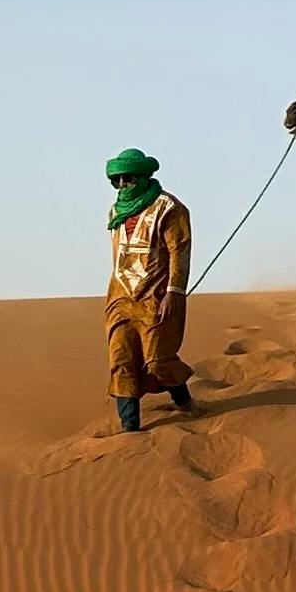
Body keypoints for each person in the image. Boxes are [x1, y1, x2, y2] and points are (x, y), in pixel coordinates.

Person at [103, 149, 194, 431]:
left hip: (156, 296)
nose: (122, 185)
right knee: (121, 359)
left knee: (158, 360)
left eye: (127, 179)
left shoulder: (169, 207)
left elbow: (179, 251)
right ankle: (129, 427)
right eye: (117, 180)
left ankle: (185, 402)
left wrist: (174, 291)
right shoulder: (116, 212)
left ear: (142, 176)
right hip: (119, 297)